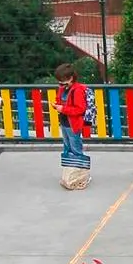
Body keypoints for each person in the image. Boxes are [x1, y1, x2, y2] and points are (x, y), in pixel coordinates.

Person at [54, 62, 94, 190]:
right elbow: (61, 101)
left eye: (62, 81)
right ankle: (71, 175)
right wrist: (58, 105)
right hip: (65, 122)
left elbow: (80, 109)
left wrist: (63, 109)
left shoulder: (77, 90)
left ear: (71, 78)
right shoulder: (63, 89)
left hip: (73, 124)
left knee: (76, 149)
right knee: (67, 147)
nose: (60, 84)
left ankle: (81, 175)